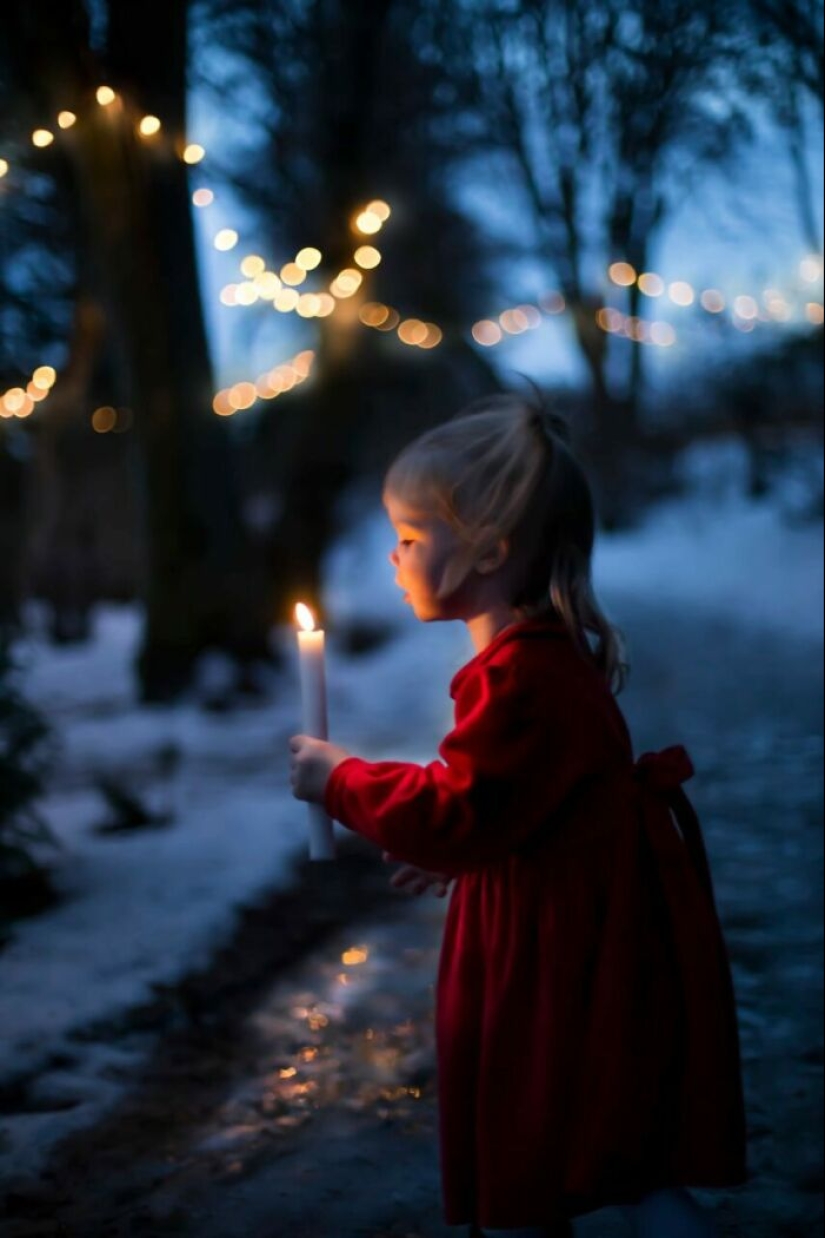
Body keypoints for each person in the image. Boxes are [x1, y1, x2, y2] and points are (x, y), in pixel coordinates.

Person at [289, 394, 747, 1238]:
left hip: (560, 952)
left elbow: (460, 808)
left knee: (553, 1126)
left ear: (491, 550)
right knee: (606, 1137)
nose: (393, 557)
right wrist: (483, 851)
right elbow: (515, 802)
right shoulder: (532, 659)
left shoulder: (521, 676)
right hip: (574, 917)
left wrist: (342, 780)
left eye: (413, 538)